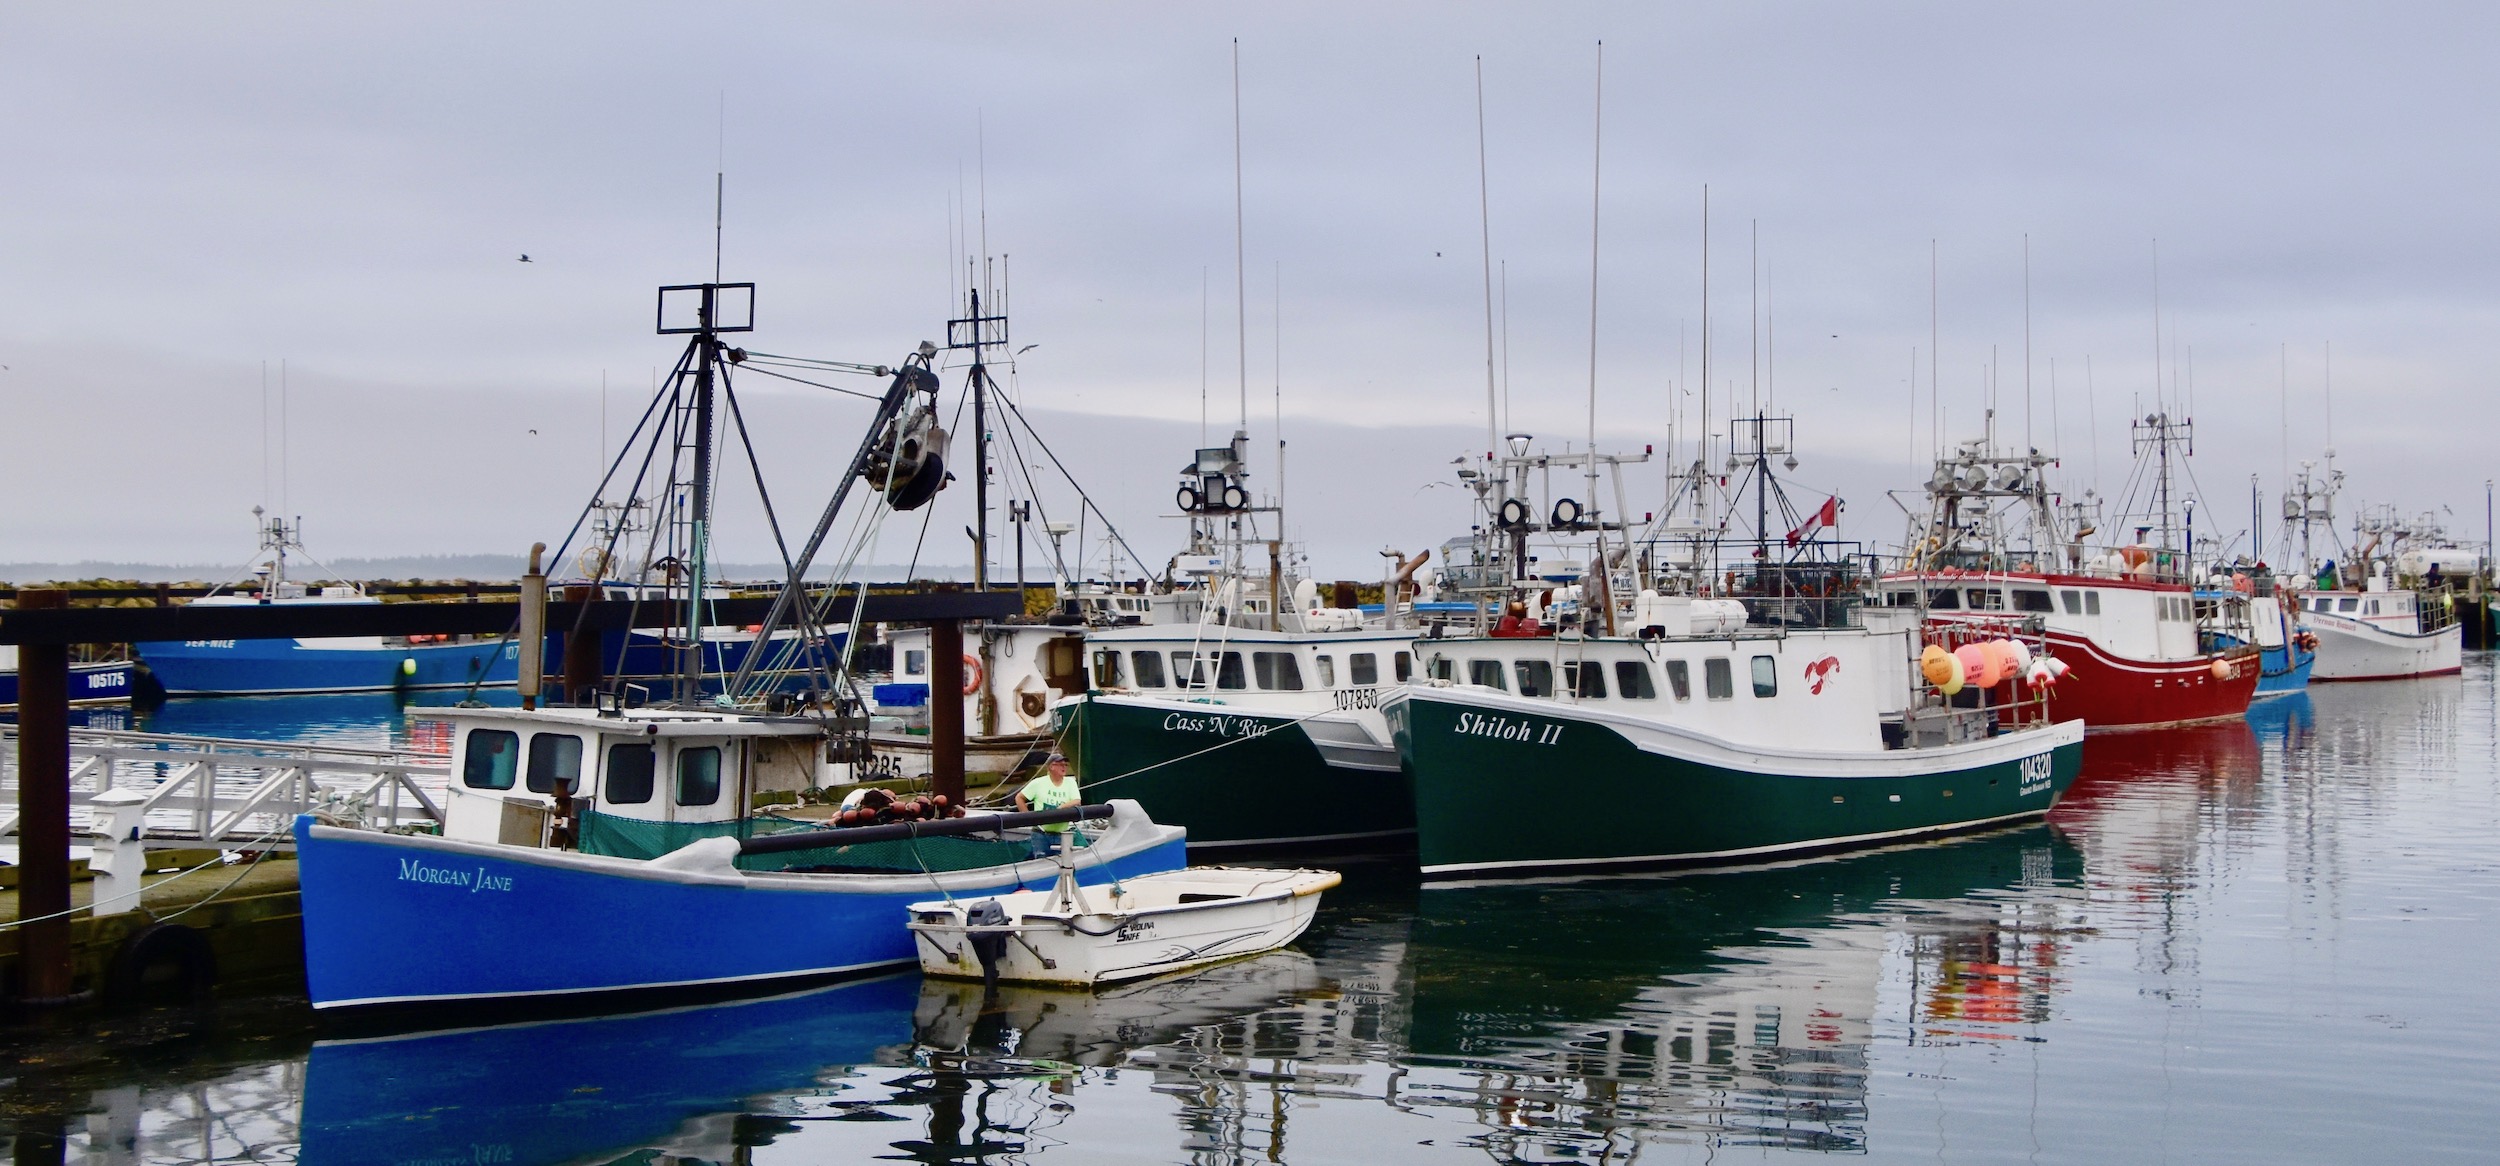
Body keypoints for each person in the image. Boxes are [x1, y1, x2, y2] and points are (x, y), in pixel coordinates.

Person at [1016, 752, 1083, 856]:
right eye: (1060, 764)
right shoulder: (1038, 783)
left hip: (1063, 834)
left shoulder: (1070, 782)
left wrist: (1060, 808)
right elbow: (1019, 798)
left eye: (1065, 765)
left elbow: (1077, 801)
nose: (1064, 767)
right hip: (1041, 833)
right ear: (1052, 766)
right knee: (1040, 861)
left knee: (1062, 862)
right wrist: (1027, 816)